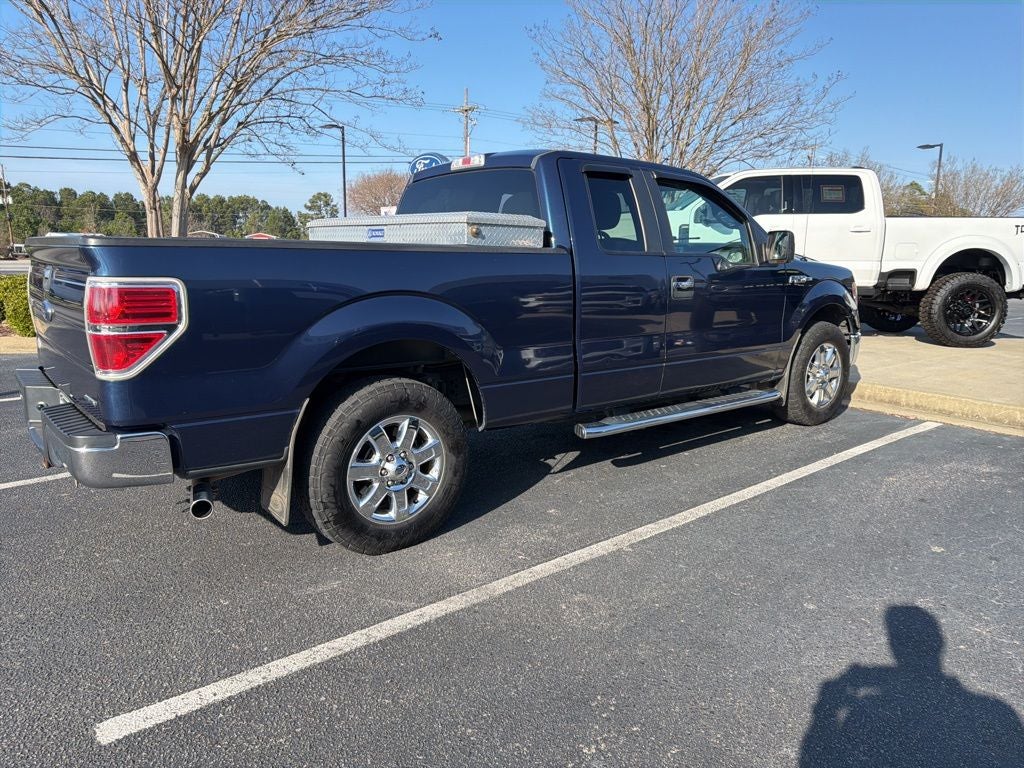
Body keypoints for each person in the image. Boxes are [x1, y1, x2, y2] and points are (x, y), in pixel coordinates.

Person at [800, 605, 1024, 768]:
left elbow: (815, 752)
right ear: (939, 643)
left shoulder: (995, 711)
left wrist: (825, 708)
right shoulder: (997, 711)